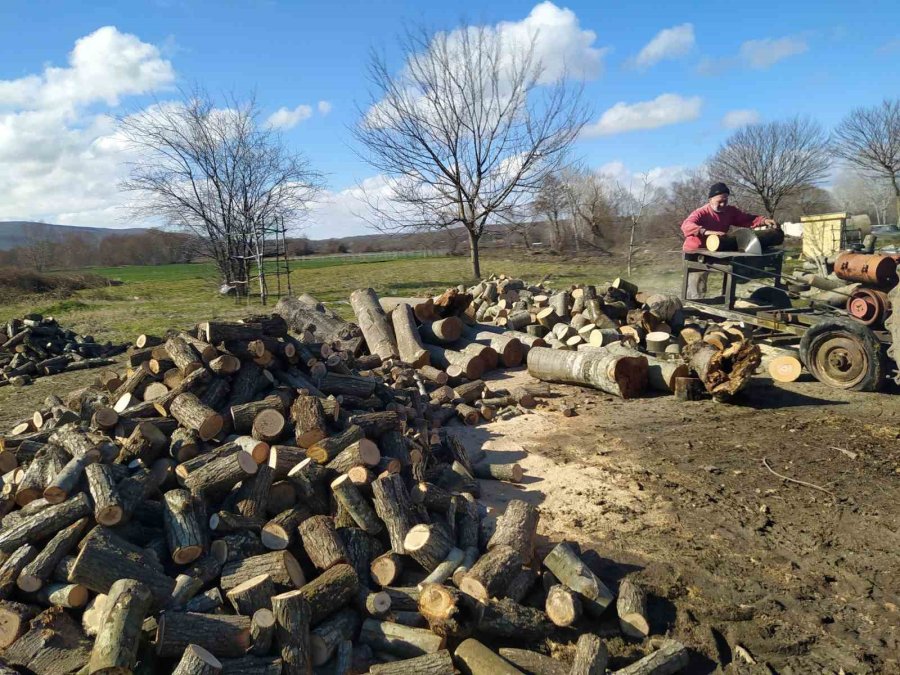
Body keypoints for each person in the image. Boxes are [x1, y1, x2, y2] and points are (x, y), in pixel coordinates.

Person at [681, 182, 778, 298]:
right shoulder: (701, 212)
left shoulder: (730, 211)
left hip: (716, 250)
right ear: (710, 199)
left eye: (725, 201)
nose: (723, 204)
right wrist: (706, 231)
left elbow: (746, 219)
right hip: (696, 252)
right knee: (697, 283)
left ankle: (726, 299)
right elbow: (686, 225)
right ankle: (695, 307)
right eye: (719, 202)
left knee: (733, 267)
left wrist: (764, 221)